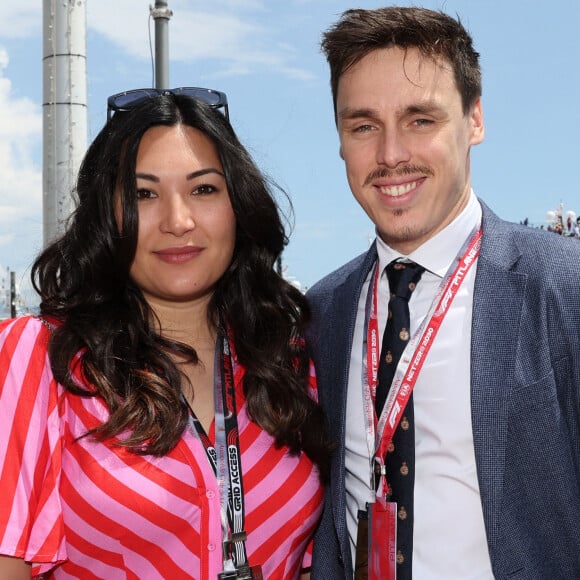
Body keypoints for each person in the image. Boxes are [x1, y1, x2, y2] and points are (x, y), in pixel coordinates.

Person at [0, 88, 330, 579]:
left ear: (239, 206)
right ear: (106, 216)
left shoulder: (285, 357)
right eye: (143, 194)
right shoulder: (39, 355)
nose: (178, 221)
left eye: (203, 189)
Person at [307, 7, 580, 580]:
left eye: (420, 120)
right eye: (363, 126)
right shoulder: (322, 310)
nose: (389, 155)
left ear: (474, 120)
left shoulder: (563, 287)